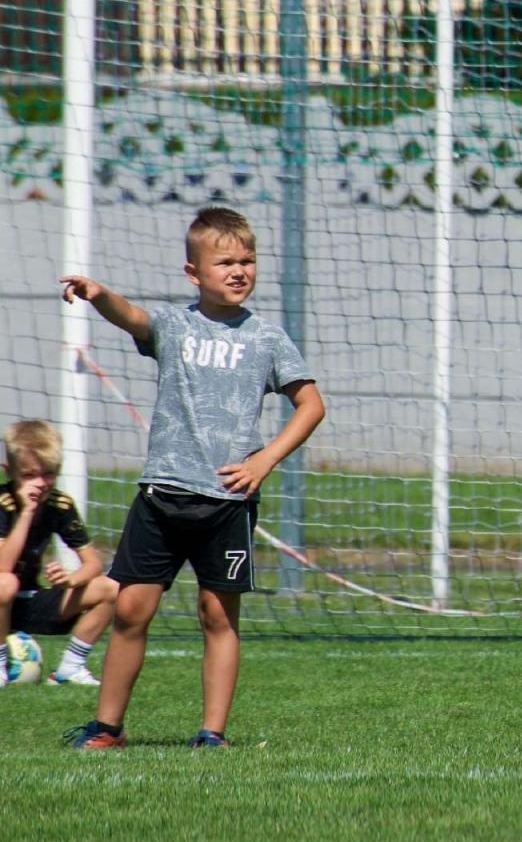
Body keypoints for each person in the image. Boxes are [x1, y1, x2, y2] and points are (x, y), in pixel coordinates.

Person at [59, 206, 325, 749]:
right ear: (193, 272)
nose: (238, 270)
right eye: (224, 261)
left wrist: (263, 460)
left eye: (247, 260)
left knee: (216, 614)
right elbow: (132, 315)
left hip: (226, 503)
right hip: (162, 495)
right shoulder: (175, 326)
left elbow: (311, 405)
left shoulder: (268, 339)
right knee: (132, 608)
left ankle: (212, 732)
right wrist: (97, 293)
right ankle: (106, 728)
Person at [0, 419, 119, 688]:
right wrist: (27, 513)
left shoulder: (60, 504)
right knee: (4, 582)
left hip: (30, 599)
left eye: (48, 474)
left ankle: (70, 668)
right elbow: (2, 566)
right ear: (9, 472)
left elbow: (93, 563)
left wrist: (71, 580)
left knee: (110, 588)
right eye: (29, 475)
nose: (40, 483)